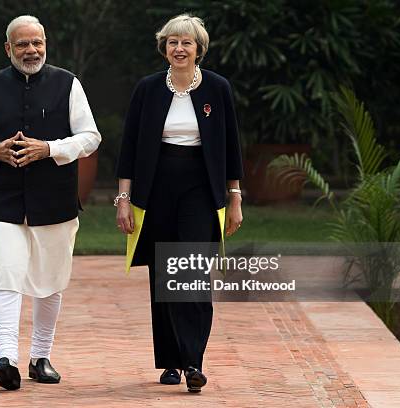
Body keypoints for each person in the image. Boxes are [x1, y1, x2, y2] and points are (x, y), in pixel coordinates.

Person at [0, 15, 101, 391]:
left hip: (54, 198)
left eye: (37, 43)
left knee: (50, 280)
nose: (31, 50)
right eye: (22, 44)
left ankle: (40, 357)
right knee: (6, 270)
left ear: (46, 44)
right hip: (3, 198)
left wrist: (50, 149)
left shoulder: (67, 84)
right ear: (8, 48)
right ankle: (6, 358)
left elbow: (90, 137)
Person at [115, 14, 243, 393]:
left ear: (199, 48)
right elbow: (129, 149)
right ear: (164, 48)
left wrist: (234, 197)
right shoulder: (148, 88)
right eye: (172, 42)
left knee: (191, 272)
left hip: (201, 188)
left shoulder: (218, 88)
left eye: (186, 42)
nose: (179, 48)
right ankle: (170, 361)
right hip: (156, 188)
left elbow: (231, 147)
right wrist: (124, 198)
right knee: (164, 274)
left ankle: (193, 361)